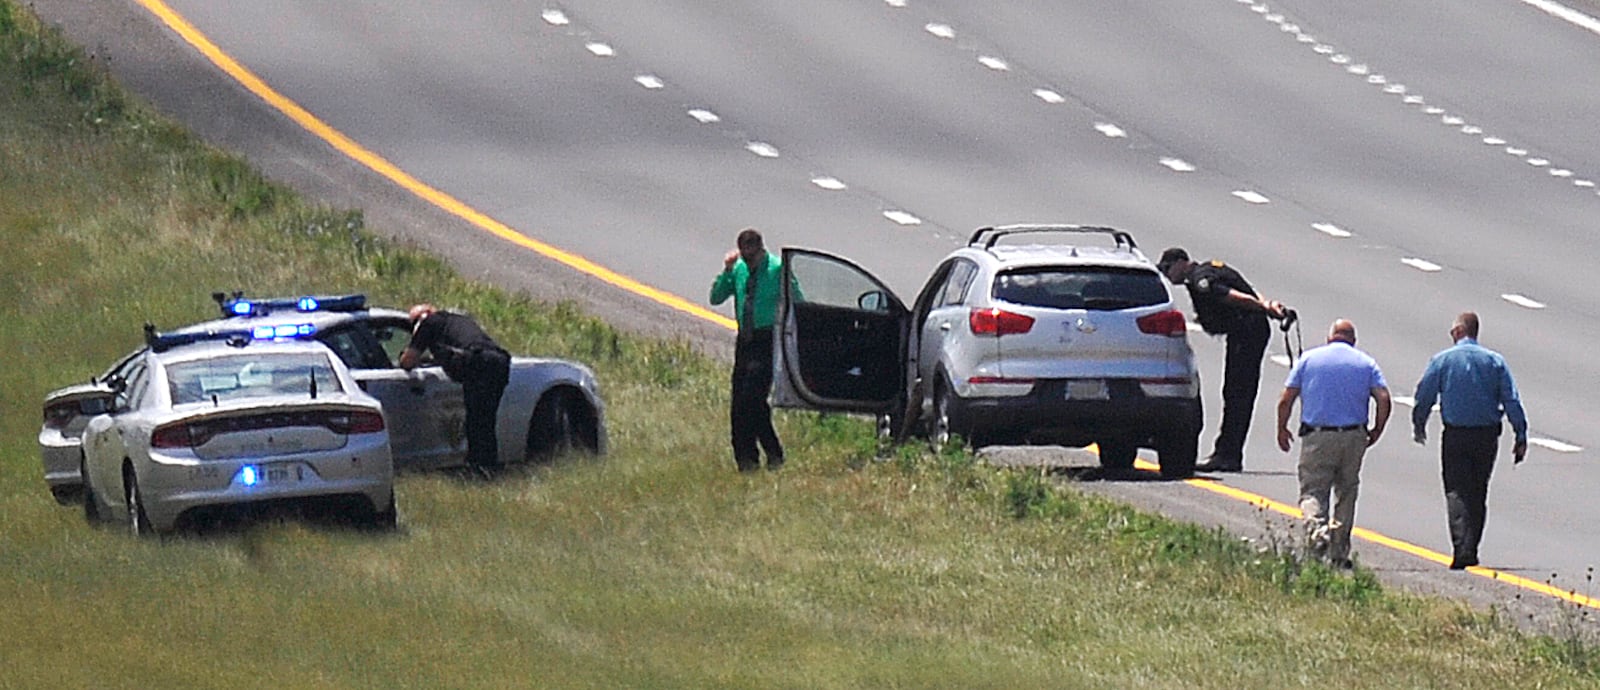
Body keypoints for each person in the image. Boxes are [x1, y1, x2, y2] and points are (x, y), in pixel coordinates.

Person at [1411, 311, 1528, 570]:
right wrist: (1520, 434)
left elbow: (1425, 395)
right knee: (1478, 489)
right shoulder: (1495, 362)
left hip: (1456, 434)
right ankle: (1470, 546)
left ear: (1459, 331)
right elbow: (1511, 399)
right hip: (1486, 435)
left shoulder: (1442, 360)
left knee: (1456, 489)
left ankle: (1462, 547)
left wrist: (1419, 424)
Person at [1157, 247, 1289, 472]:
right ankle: (1227, 452)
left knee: (1238, 393)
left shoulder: (1201, 279)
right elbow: (1249, 290)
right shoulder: (1211, 268)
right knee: (1237, 392)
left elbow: (1230, 295)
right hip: (1247, 330)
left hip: (1247, 331)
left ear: (1181, 262)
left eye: (1168, 269)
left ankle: (1228, 456)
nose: (1168, 276)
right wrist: (1266, 305)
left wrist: (1264, 308)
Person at [1274, 319, 1391, 569]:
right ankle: (1339, 551)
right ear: (1353, 341)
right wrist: (1377, 429)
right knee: (1346, 490)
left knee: (1313, 490)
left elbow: (1286, 399)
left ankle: (1317, 532)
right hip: (1353, 436)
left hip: (1317, 435)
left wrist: (1282, 428)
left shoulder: (1309, 359)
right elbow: (1383, 398)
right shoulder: (1366, 363)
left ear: (1330, 338)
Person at [400, 304, 512, 473]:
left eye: (414, 322)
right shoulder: (457, 320)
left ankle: (478, 469)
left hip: (478, 363)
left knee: (476, 421)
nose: (415, 327)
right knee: (486, 421)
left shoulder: (429, 323)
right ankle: (488, 468)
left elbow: (408, 362)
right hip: (499, 362)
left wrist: (405, 354)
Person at [709, 228, 785, 472]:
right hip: (746, 341)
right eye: (745, 256)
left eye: (752, 257)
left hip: (767, 339)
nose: (749, 261)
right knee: (740, 403)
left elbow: (796, 300)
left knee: (753, 398)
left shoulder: (777, 269)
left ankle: (772, 451)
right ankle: (746, 459)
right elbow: (716, 297)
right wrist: (728, 271)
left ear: (761, 250)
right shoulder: (739, 268)